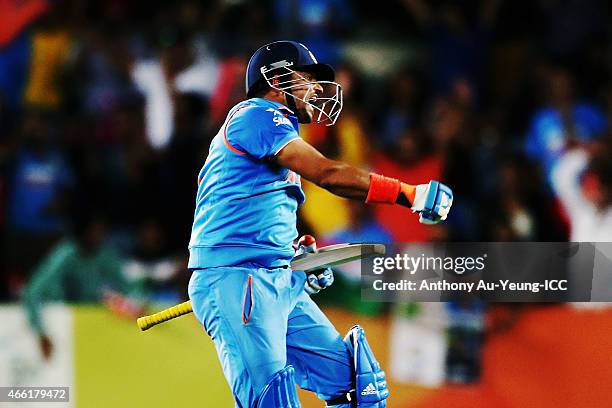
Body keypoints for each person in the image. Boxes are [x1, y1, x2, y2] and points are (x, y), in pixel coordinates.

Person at [187, 41, 453, 408]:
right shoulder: (257, 114)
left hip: (275, 278)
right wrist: (411, 194)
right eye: (306, 79)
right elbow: (329, 175)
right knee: (272, 401)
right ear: (277, 78)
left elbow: (255, 213)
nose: (314, 89)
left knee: (358, 389)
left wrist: (293, 255)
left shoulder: (277, 134)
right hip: (236, 279)